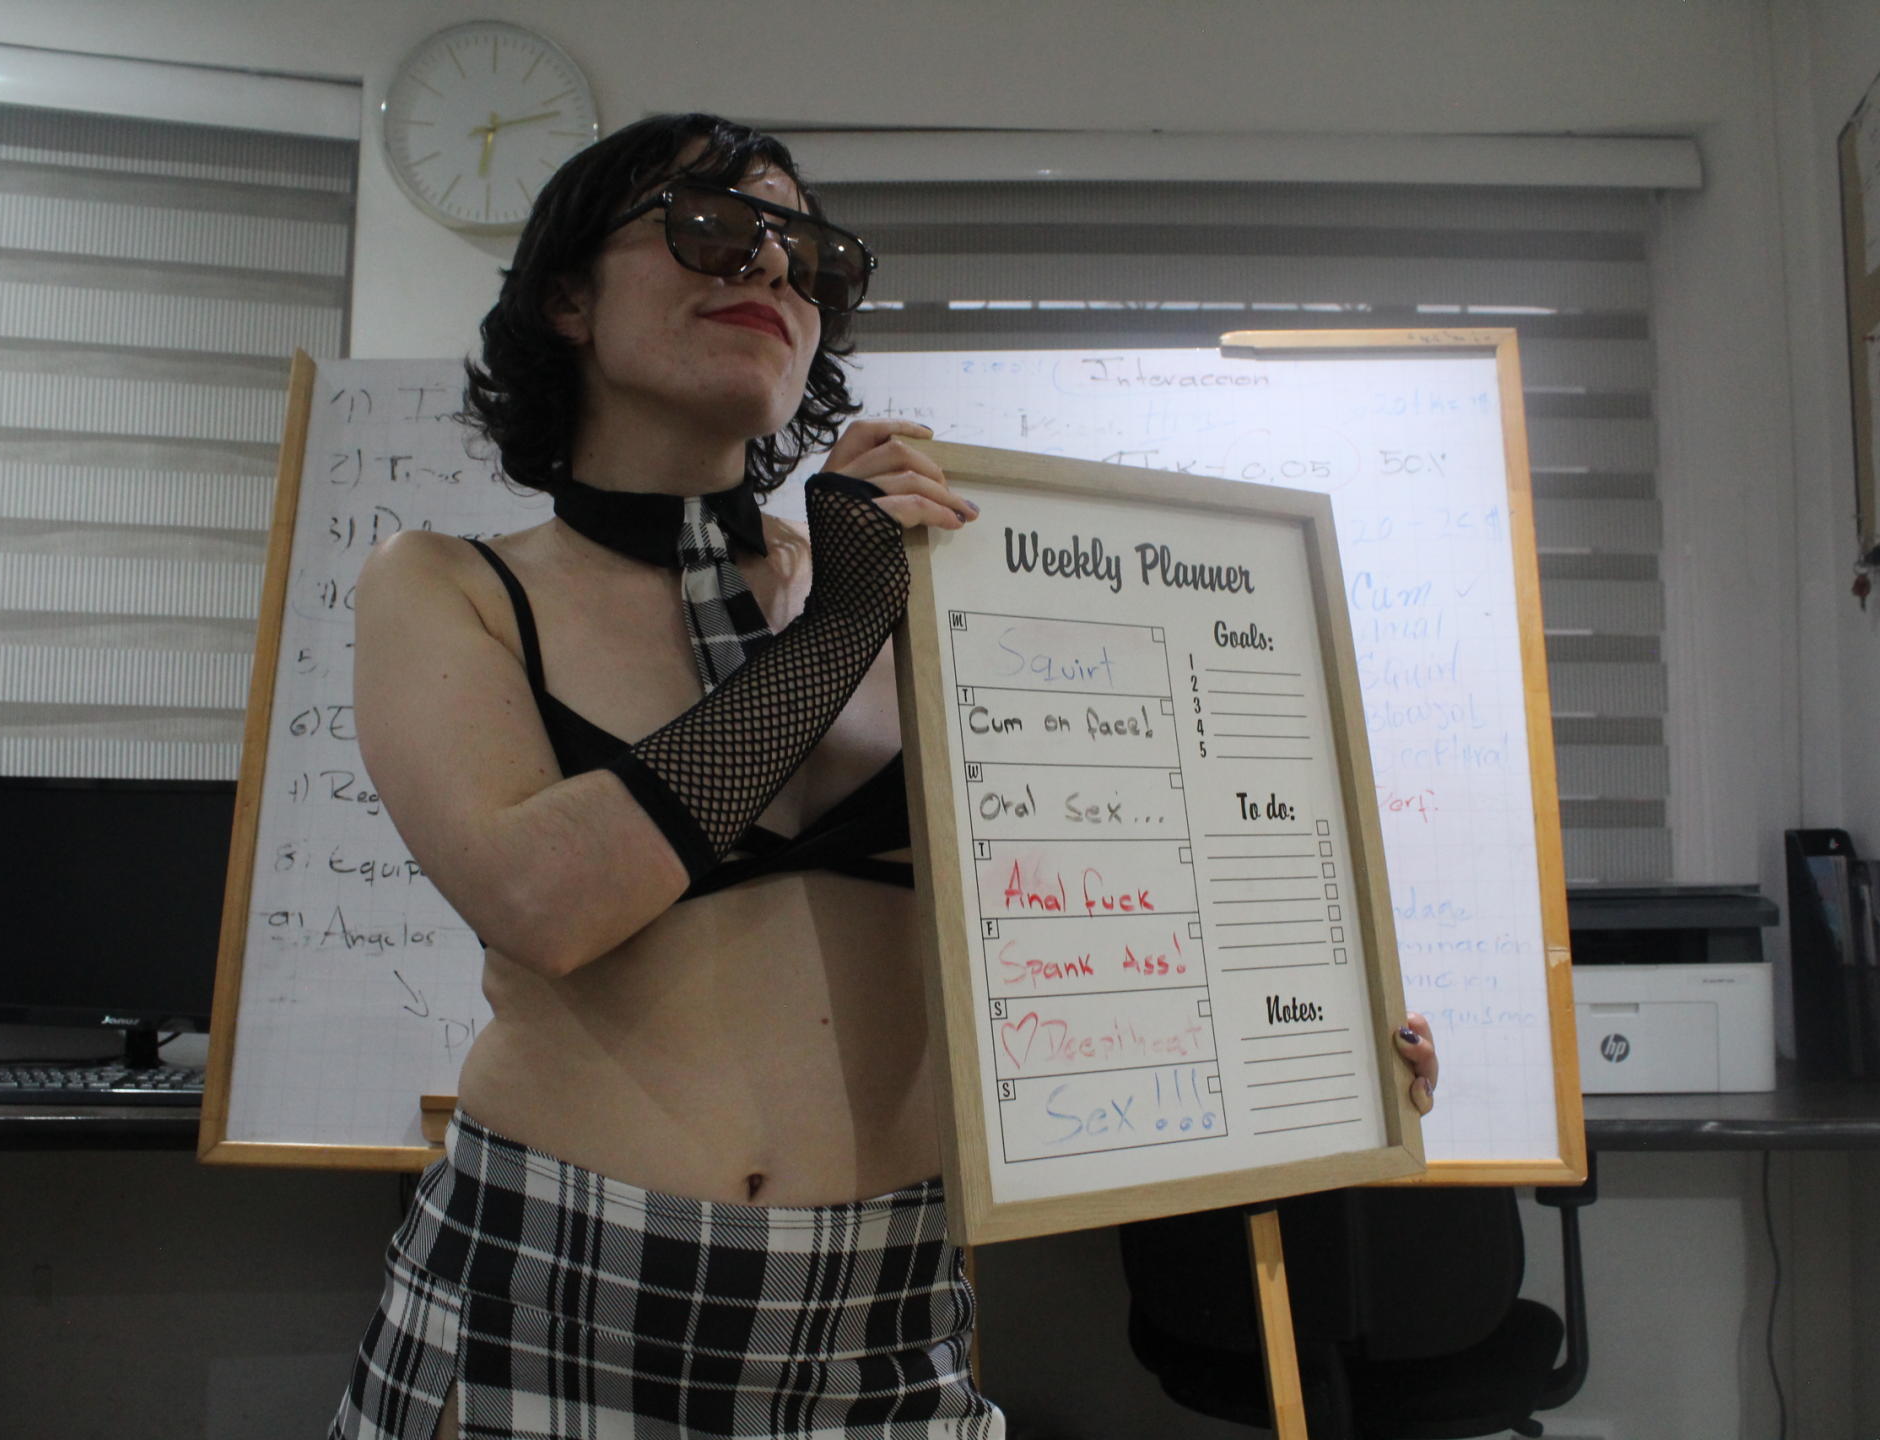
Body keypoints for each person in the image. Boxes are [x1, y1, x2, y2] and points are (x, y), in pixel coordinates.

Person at [330, 112, 1440, 1440]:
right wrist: (841, 627)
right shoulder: (448, 585)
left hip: (886, 1313)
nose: (771, 271)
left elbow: (1103, 907)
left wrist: (1311, 1042)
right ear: (567, 297)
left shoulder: (937, 582)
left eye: (812, 261)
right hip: (556, 1281)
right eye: (711, 230)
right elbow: (544, 903)